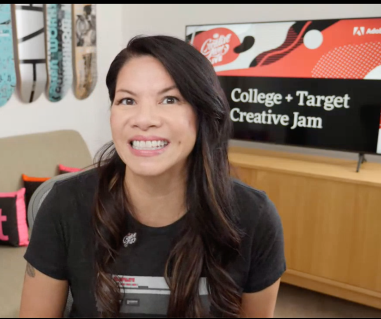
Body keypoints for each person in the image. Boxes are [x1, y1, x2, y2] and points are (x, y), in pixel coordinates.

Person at [19, 35, 286, 318]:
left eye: (169, 99)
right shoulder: (65, 205)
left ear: (203, 113)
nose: (144, 119)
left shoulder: (254, 217)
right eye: (127, 100)